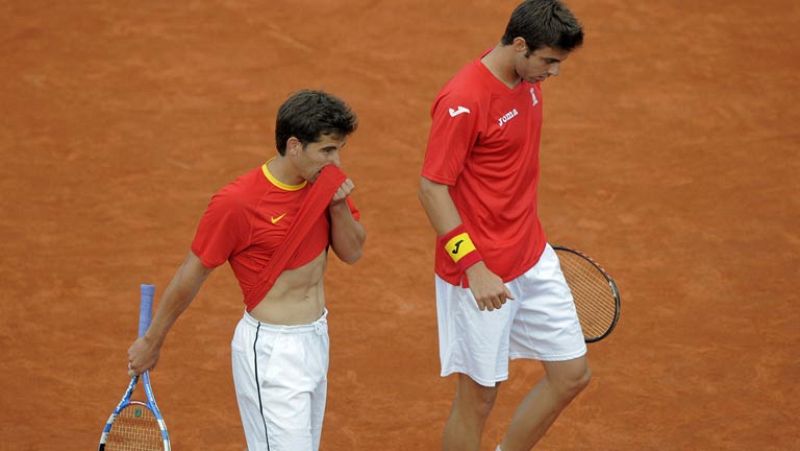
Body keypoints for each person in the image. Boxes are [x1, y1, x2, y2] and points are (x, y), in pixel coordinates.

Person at [127, 90, 366, 450]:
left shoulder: (325, 187)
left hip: (316, 340)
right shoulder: (237, 203)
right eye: (328, 151)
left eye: (340, 150)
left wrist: (338, 206)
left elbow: (352, 252)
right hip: (271, 353)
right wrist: (152, 341)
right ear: (295, 146)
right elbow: (191, 274)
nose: (337, 163)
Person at [417, 1, 589, 450]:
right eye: (549, 60)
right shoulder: (463, 100)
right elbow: (432, 189)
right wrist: (473, 265)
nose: (554, 73)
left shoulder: (525, 77)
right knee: (478, 398)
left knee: (571, 375)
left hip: (531, 255)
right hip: (478, 272)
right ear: (519, 45)